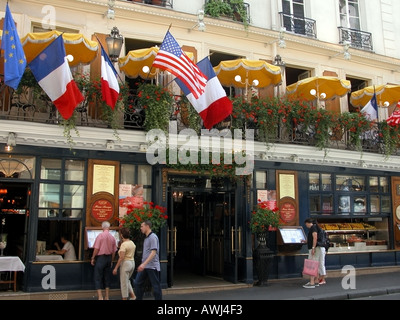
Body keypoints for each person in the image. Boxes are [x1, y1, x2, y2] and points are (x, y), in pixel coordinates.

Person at [134, 220, 162, 300]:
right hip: (146, 266)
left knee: (156, 286)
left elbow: (153, 252)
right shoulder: (147, 238)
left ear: (147, 226)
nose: (141, 228)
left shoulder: (153, 237)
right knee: (137, 283)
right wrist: (144, 264)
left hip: (152, 266)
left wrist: (143, 264)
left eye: (142, 226)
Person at [91, 221, 117, 300]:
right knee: (107, 277)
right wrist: (111, 260)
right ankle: (107, 296)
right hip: (108, 258)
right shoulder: (112, 238)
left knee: (98, 276)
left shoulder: (100, 236)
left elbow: (96, 248)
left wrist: (93, 257)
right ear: (109, 228)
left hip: (101, 258)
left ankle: (100, 297)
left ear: (102, 227)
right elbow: (114, 251)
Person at [112, 227, 136, 300]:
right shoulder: (132, 243)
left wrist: (115, 268)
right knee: (127, 280)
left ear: (122, 235)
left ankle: (124, 298)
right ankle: (132, 295)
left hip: (125, 263)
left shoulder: (124, 245)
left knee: (123, 283)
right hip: (132, 262)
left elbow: (121, 257)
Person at [303, 218, 326, 288]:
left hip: (315, 248)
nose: (306, 226)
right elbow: (313, 238)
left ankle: (312, 282)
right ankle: (316, 281)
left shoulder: (313, 228)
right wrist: (306, 241)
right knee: (318, 264)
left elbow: (315, 237)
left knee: (312, 264)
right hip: (319, 248)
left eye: (306, 224)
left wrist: (313, 248)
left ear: (307, 223)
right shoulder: (316, 227)